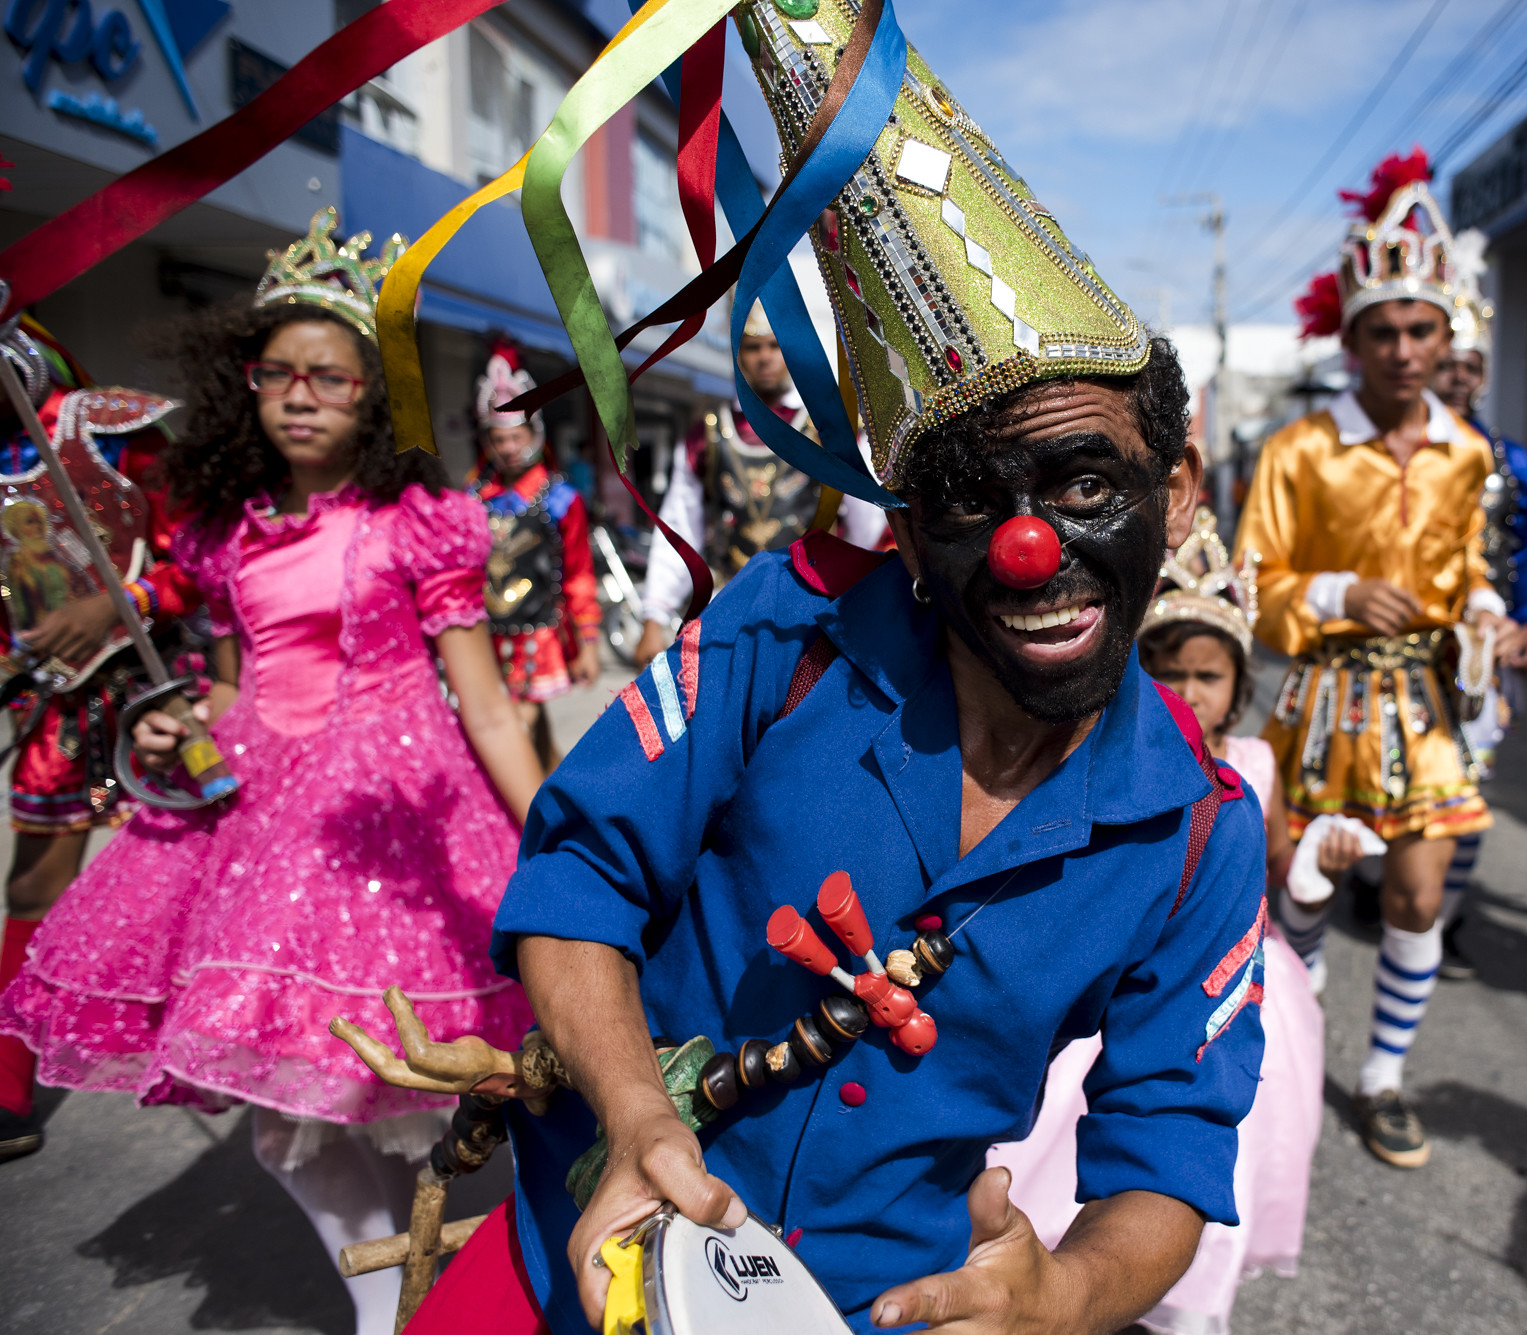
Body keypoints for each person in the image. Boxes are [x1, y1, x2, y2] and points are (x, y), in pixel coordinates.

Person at [343, 15, 1270, 1334]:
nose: (1030, 547)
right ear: (901, 525)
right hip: (582, 1249)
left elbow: (1170, 1130)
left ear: (1175, 491)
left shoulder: (1200, 834)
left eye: (1084, 481)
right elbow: (579, 880)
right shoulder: (782, 635)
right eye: (969, 499)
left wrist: (1062, 1293)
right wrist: (636, 1114)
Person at [0, 208, 544, 1331]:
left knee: (367, 1099)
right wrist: (175, 725)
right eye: (278, 373)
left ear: (370, 396)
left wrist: (567, 836)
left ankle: (403, 1305)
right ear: (246, 384)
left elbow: (486, 703)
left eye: (330, 378)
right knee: (302, 1114)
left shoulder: (417, 523)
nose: (299, 394)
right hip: (259, 824)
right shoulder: (230, 535)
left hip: (386, 821)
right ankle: (406, 1301)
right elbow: (237, 692)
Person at [987, 508, 1348, 1333]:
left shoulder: (1254, 765)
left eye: (1208, 677)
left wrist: (1317, 877)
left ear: (1239, 687)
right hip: (1132, 975)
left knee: (1222, 1137)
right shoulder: (1115, 759)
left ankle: (1180, 1294)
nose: (1188, 692)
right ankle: (1064, 1268)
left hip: (1239, 987)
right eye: (1169, 670)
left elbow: (1284, 879)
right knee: (1068, 1132)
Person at [1236, 147, 1522, 1171]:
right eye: (1382, 332)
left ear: (1449, 335)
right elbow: (1247, 591)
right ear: (1349, 339)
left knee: (1416, 896)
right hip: (1320, 701)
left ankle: (1381, 1077)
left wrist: (1486, 612)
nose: (1403, 351)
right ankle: (1291, 1061)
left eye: (1420, 330)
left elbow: (1468, 567)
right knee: (1303, 894)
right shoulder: (1297, 449)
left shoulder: (1469, 450)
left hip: (1425, 705)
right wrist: (1333, 592)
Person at [0, 305, 202, 1163]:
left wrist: (116, 606)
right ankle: (9, 1076)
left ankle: (205, 1043)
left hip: (149, 696)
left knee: (185, 874)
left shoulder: (117, 434)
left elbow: (197, 562)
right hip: (44, 704)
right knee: (35, 885)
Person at [1427, 229, 1527, 981]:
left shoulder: (1513, 463)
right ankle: (1391, 891)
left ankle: (1446, 915)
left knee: (1473, 784)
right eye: (1448, 365)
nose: (1459, 380)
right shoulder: (1383, 454)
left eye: (1471, 368)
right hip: (1400, 651)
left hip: (1484, 653)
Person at [633, 301, 886, 659]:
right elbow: (679, 524)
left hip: (815, 615)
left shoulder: (830, 428)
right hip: (729, 617)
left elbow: (868, 525)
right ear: (737, 353)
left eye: (774, 345)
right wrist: (654, 616)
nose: (765, 357)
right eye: (753, 347)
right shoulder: (705, 435)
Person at [469, 339, 601, 767]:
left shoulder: (561, 498)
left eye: (516, 436)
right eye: (498, 438)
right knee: (516, 731)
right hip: (486, 636)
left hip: (537, 635)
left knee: (516, 730)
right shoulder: (472, 499)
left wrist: (589, 644)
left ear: (535, 432)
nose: (507, 447)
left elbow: (579, 573)